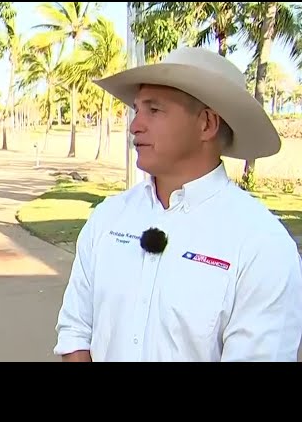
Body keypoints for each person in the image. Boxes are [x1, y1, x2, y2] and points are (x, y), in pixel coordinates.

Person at [54, 47, 302, 362]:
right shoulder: (108, 218)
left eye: (154, 110)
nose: (134, 125)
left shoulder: (262, 245)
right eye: (136, 109)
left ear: (207, 124)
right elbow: (75, 332)